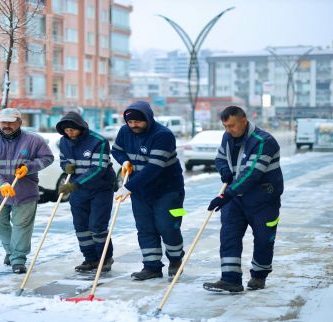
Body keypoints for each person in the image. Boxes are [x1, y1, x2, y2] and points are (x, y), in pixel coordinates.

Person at [203, 106, 283, 292]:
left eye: (232, 126)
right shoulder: (227, 137)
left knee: (264, 239)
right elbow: (220, 158)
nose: (228, 130)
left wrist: (225, 195)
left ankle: (259, 275)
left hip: (263, 199)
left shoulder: (264, 141)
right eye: (225, 126)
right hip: (235, 199)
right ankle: (230, 279)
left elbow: (252, 174)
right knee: (229, 235)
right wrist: (225, 171)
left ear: (243, 121)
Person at [111, 101, 186, 280]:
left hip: (169, 190)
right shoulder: (124, 132)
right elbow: (116, 150)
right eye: (130, 122)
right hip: (141, 191)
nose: (134, 125)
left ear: (148, 119)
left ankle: (176, 260)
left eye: (138, 122)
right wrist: (124, 161)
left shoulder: (163, 135)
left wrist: (127, 187)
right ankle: (151, 266)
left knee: (168, 226)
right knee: (145, 228)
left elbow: (154, 168)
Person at [0, 108, 54, 274]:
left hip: (25, 191)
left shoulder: (34, 140)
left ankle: (18, 260)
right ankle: (12, 250)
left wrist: (29, 167)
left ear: (19, 122)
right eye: (4, 122)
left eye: (11, 122)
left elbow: (48, 158)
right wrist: (1, 184)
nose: (7, 125)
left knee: (22, 225)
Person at [55, 110, 117, 273]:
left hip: (100, 188)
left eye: (73, 130)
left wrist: (76, 185)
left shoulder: (99, 141)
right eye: (67, 131)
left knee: (97, 225)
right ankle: (90, 259)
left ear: (81, 127)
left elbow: (99, 169)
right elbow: (63, 160)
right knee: (81, 225)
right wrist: (66, 166)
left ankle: (104, 258)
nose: (70, 134)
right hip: (79, 190)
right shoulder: (64, 141)